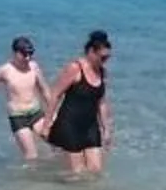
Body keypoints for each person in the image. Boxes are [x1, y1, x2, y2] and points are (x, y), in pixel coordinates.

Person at [39, 30, 113, 178]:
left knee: (95, 171)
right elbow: (55, 95)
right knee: (77, 174)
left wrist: (107, 129)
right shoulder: (74, 68)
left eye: (107, 58)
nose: (105, 61)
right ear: (91, 52)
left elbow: (102, 102)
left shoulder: (102, 72)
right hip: (70, 125)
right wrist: (46, 125)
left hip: (90, 126)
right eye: (102, 57)